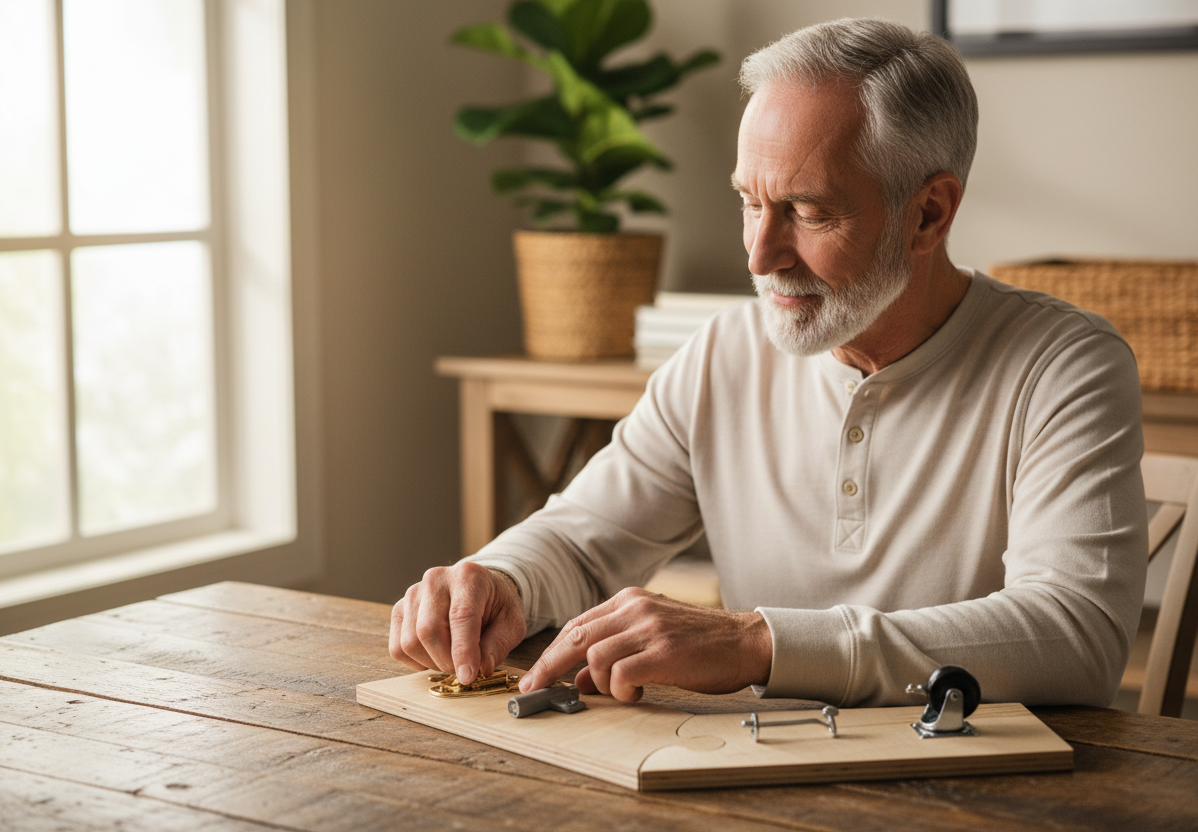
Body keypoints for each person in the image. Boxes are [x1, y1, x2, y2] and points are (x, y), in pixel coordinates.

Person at [390, 18, 1148, 708]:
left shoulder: (1065, 365)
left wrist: (754, 642)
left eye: (808, 211)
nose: (759, 254)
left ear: (930, 213)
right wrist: (498, 580)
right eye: (750, 202)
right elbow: (586, 538)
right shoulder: (723, 353)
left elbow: (1075, 636)